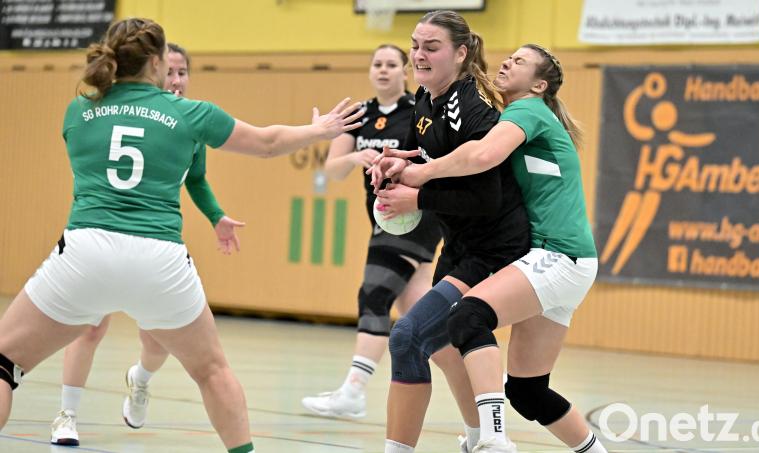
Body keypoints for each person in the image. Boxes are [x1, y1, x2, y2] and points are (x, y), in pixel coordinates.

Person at [0, 18, 363, 453]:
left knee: (6, 361)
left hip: (86, 251)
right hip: (160, 259)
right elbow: (267, 143)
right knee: (212, 372)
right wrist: (319, 131)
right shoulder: (189, 113)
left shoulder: (79, 110)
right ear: (156, 62)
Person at [376, 44, 607, 453]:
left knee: (467, 317)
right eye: (509, 56)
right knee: (528, 391)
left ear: (538, 85)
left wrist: (421, 176)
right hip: (566, 261)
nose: (507, 62)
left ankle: (494, 440)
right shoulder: (512, 114)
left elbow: (482, 154)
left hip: (557, 254)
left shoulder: (528, 110)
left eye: (519, 62)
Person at [49, 42, 246, 446]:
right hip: (102, 235)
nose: (175, 80)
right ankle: (66, 415)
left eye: (182, 73)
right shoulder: (115, 111)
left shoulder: (188, 122)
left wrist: (217, 217)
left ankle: (140, 378)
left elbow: (195, 179)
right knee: (89, 327)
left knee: (155, 340)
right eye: (169, 71)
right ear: (152, 70)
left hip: (153, 247)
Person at [368, 11, 531, 453]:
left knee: (408, 337)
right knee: (440, 346)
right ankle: (481, 438)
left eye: (431, 47)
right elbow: (435, 158)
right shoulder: (425, 96)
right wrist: (400, 164)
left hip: (495, 247)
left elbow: (486, 198)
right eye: (415, 45)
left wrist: (416, 198)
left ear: (460, 53)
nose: (418, 55)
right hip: (460, 243)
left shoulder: (474, 106)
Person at [300, 44, 442, 419]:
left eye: (392, 64)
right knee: (423, 318)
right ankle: (482, 386)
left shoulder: (419, 112)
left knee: (374, 295)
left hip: (413, 216)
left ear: (404, 71)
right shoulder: (359, 115)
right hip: (382, 218)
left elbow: (433, 161)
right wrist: (354, 157)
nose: (383, 70)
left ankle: (353, 392)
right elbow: (333, 169)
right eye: (377, 64)